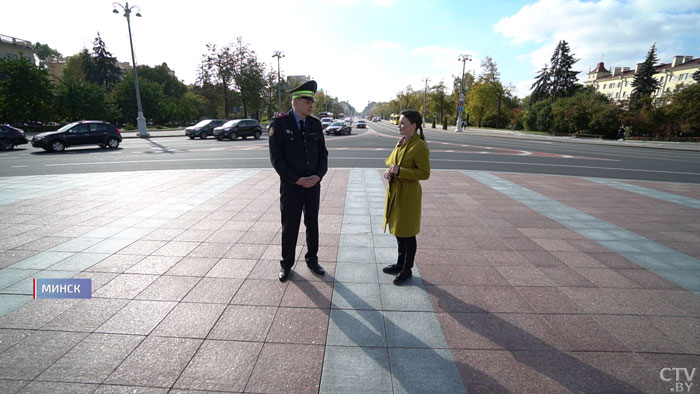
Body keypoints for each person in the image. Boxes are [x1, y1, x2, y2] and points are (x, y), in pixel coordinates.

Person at [268, 80, 328, 282]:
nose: (311, 104)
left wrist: (318, 176)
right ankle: (286, 264)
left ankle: (312, 259)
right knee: (290, 225)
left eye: (312, 101)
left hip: (313, 185)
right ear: (295, 101)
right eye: (306, 100)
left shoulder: (315, 124)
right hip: (292, 187)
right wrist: (296, 179)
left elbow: (323, 155)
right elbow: (277, 159)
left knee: (313, 224)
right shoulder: (279, 124)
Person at [381, 110, 431, 285]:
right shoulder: (401, 141)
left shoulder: (420, 146)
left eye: (403, 123)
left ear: (413, 126)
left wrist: (400, 171)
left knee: (408, 234)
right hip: (396, 192)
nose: (399, 126)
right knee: (399, 231)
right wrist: (389, 172)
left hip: (408, 195)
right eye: (399, 122)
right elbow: (392, 163)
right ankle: (400, 263)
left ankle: (407, 269)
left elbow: (425, 173)